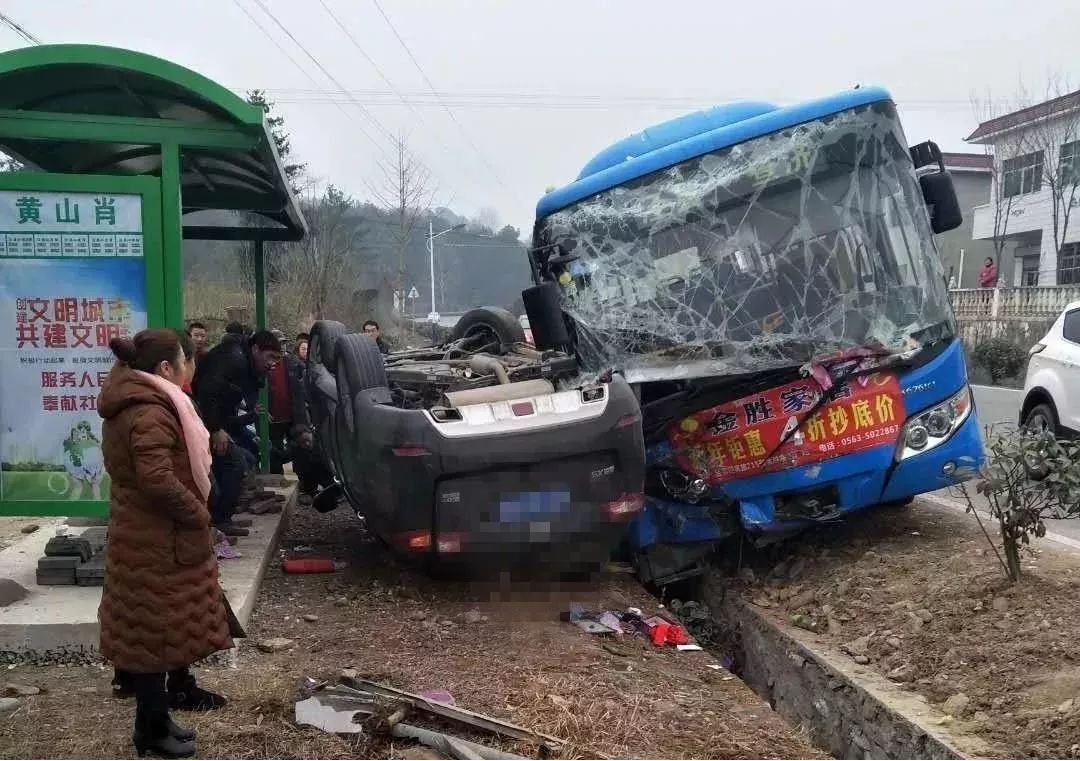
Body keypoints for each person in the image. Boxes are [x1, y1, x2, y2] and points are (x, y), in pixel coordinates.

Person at [99, 329, 231, 758]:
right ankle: (150, 730)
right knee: (153, 637)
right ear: (165, 369)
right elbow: (157, 479)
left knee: (159, 631)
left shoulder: (146, 403)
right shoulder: (149, 412)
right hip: (153, 540)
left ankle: (159, 720)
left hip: (151, 537)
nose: (189, 367)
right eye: (184, 359)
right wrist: (197, 513)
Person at [193, 330, 283, 536]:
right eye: (270, 357)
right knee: (235, 463)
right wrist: (215, 429)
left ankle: (220, 519)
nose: (273, 364)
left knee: (237, 462)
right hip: (206, 422)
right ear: (255, 349)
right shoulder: (234, 359)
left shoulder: (245, 361)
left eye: (277, 360)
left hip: (216, 422)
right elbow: (208, 392)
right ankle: (218, 520)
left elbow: (250, 389)